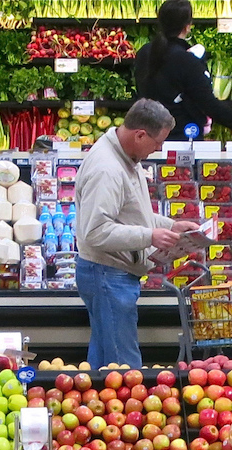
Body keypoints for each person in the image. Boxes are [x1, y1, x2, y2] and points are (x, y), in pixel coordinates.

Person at [75, 99, 199, 369]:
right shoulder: (107, 169)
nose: (159, 148)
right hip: (106, 274)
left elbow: (130, 213)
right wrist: (149, 236)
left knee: (105, 358)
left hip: (113, 273)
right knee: (123, 366)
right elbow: (94, 232)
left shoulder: (126, 158)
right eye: (157, 142)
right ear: (140, 134)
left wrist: (169, 226)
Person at [134, 0, 232, 141]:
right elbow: (210, 106)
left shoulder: (144, 52)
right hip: (182, 137)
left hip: (147, 137)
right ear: (187, 27)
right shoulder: (186, 60)